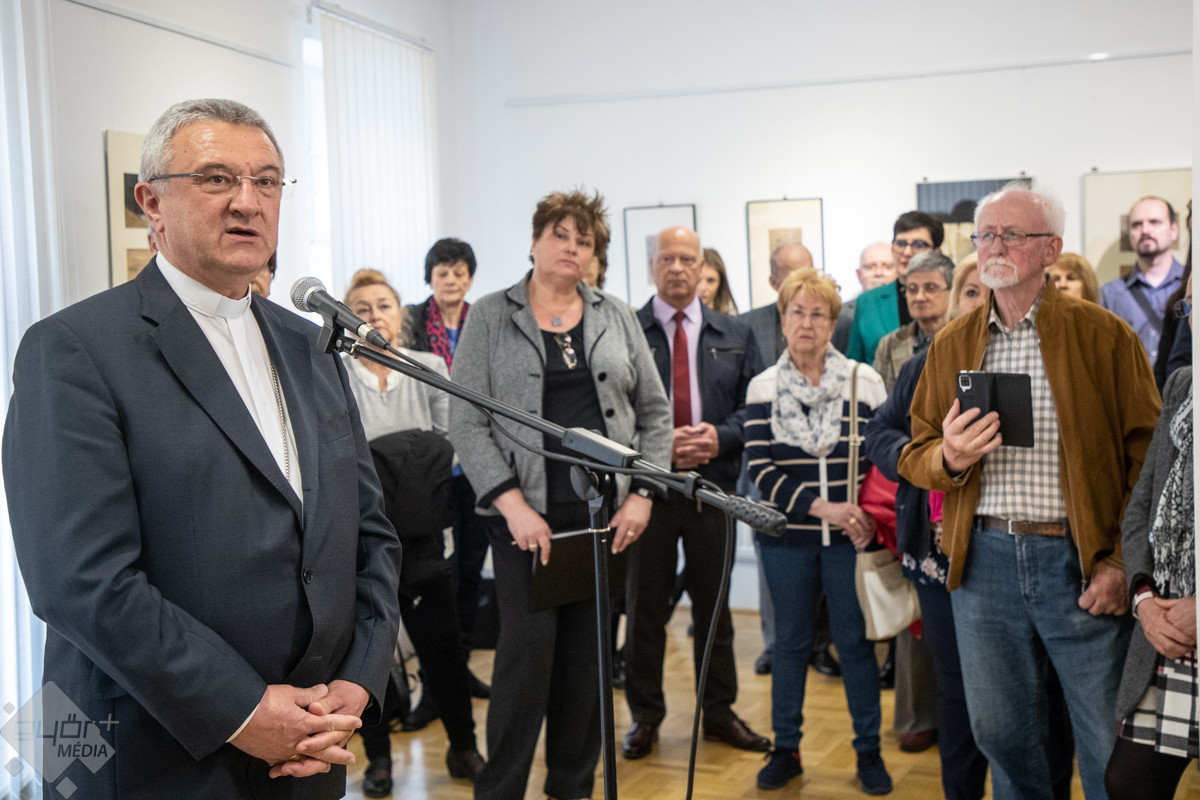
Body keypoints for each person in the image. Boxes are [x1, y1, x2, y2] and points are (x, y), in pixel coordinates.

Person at [1, 98, 402, 798]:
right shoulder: (70, 348)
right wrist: (243, 710)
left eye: (267, 181)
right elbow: (78, 582)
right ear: (151, 202)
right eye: (217, 178)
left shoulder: (311, 346)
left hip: (311, 741)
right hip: (141, 748)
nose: (248, 201)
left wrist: (359, 681)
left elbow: (368, 533)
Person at [899, 183, 1160, 800]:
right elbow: (914, 453)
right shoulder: (953, 343)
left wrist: (1121, 562)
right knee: (1003, 736)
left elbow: (1151, 461)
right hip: (983, 564)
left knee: (1105, 741)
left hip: (1080, 562)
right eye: (985, 235)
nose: (994, 246)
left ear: (1051, 248)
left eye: (1011, 234)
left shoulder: (1105, 336)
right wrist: (949, 457)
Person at [448, 188, 672, 800]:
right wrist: (512, 505)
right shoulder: (490, 315)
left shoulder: (616, 314)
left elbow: (655, 413)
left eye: (584, 240)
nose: (572, 247)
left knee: (589, 665)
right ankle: (502, 791)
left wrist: (643, 494)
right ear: (534, 241)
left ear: (595, 254)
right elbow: (466, 420)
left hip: (604, 519)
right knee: (524, 664)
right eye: (560, 235)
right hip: (525, 521)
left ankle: (572, 788)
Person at [621, 227, 767, 761]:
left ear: (703, 265)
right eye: (667, 258)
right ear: (652, 266)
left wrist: (720, 437)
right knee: (644, 611)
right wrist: (657, 448)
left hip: (713, 488)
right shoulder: (626, 329)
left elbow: (755, 409)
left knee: (715, 609)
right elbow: (615, 410)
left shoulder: (736, 333)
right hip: (648, 491)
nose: (678, 267)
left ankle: (719, 713)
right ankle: (645, 717)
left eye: (688, 259)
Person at [745, 267, 892, 795]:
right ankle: (786, 749)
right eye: (796, 312)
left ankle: (868, 753)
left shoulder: (863, 380)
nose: (806, 323)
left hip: (852, 541)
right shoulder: (763, 386)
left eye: (818, 313)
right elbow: (761, 470)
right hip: (786, 539)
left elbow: (881, 458)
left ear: (833, 323)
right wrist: (822, 507)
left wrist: (868, 514)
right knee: (790, 644)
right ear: (782, 320)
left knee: (854, 644)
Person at [340, 269, 485, 794]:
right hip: (361, 540)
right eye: (362, 307)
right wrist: (411, 455)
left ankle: (464, 748)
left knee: (443, 649)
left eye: (383, 305)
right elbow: (340, 454)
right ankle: (378, 759)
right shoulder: (333, 371)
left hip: (425, 538)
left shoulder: (429, 367)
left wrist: (387, 462)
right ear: (346, 316)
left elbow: (451, 441)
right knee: (370, 655)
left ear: (399, 314)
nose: (373, 315)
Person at [1106, 282, 1196, 800]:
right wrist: (1143, 598)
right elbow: (1141, 507)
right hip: (1166, 625)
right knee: (1128, 782)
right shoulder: (1182, 384)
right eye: (1191, 306)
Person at [398, 237, 492, 703]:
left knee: (471, 569)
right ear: (429, 277)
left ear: (470, 278)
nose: (451, 279)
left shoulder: (485, 321)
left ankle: (461, 666)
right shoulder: (411, 321)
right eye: (442, 271)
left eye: (458, 271)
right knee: (440, 574)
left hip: (479, 464)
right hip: (431, 468)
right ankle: (437, 682)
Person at [738, 240, 822, 676]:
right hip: (765, 462)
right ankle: (775, 643)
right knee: (771, 557)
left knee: (825, 554)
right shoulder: (746, 326)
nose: (801, 281)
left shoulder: (835, 321)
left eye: (809, 271)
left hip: (821, 461)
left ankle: (819, 644)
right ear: (773, 281)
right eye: (790, 274)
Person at [846, 211, 945, 362]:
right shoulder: (868, 302)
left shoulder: (950, 297)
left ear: (936, 252)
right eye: (901, 243)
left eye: (918, 245)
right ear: (892, 249)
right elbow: (854, 364)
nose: (907, 252)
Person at [1100, 196, 1184, 364]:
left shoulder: (1191, 287)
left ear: (1174, 230)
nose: (1145, 230)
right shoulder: (1110, 294)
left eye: (1154, 222)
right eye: (1137, 224)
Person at [872, 251, 954, 393]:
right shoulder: (890, 343)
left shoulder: (964, 338)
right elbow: (879, 400)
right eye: (912, 289)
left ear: (952, 291)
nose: (919, 297)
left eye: (930, 288)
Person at [833, 242, 896, 354]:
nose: (878, 273)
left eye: (887, 267)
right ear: (859, 275)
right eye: (870, 267)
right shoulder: (841, 315)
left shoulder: (909, 309)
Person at [697, 247, 739, 314]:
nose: (703, 288)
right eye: (697, 280)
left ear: (721, 283)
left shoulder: (730, 318)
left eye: (710, 281)